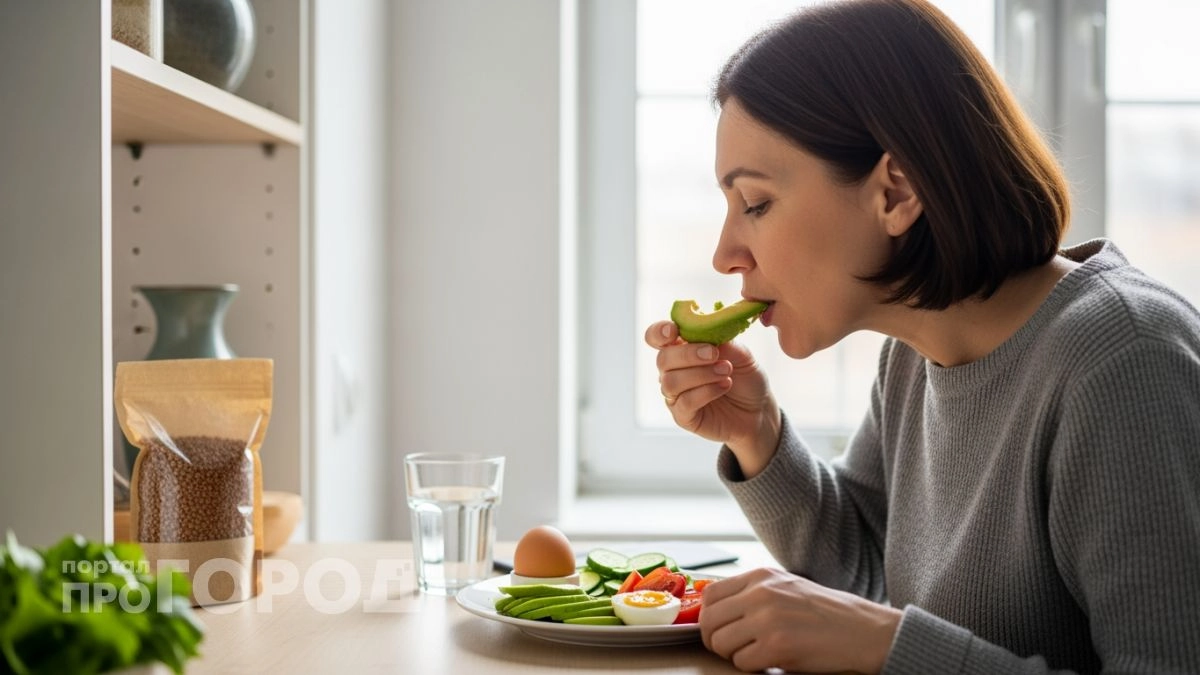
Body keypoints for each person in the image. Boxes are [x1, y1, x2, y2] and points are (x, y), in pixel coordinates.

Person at [644, 0, 1200, 673]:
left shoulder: (1122, 361)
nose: (725, 253)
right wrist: (756, 434)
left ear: (896, 190)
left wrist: (886, 646)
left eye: (755, 203)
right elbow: (863, 572)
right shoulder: (912, 355)